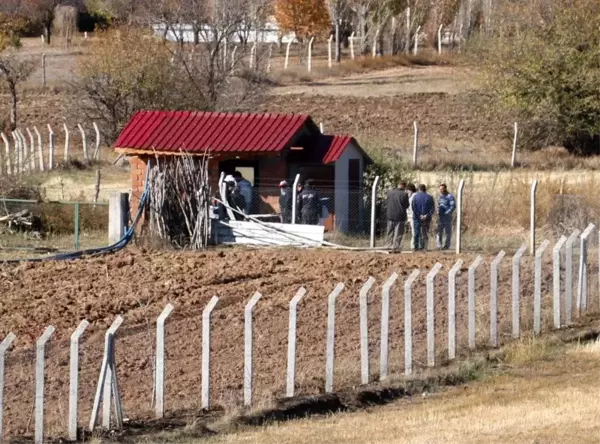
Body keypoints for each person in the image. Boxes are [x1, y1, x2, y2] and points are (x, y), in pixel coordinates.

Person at [385, 181, 409, 251]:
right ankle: (396, 247)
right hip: (400, 216)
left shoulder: (390, 192)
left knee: (389, 232)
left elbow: (387, 202)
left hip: (390, 215)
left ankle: (388, 245)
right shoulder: (404, 194)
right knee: (398, 233)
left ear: (398, 185)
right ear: (404, 186)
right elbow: (407, 205)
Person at [411, 184, 435, 251]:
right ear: (425, 189)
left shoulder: (415, 197)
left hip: (417, 218)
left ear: (418, 189)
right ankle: (424, 247)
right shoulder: (430, 197)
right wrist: (426, 215)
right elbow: (432, 208)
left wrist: (419, 215)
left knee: (416, 232)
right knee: (425, 232)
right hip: (427, 218)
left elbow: (413, 207)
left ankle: (416, 247)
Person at [437, 183, 456, 250]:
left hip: (447, 217)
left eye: (442, 189)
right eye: (440, 189)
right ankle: (439, 245)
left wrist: (447, 213)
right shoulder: (440, 196)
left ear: (445, 188)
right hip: (440, 216)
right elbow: (439, 205)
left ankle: (447, 245)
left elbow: (453, 206)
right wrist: (438, 210)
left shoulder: (450, 196)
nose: (441, 190)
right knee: (439, 232)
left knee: (448, 232)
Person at [406, 183, 418, 248]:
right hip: (414, 217)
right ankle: (417, 246)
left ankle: (413, 246)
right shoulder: (414, 196)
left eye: (407, 191)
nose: (407, 193)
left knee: (414, 232)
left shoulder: (412, 198)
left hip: (413, 217)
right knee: (416, 232)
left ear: (410, 190)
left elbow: (410, 209)